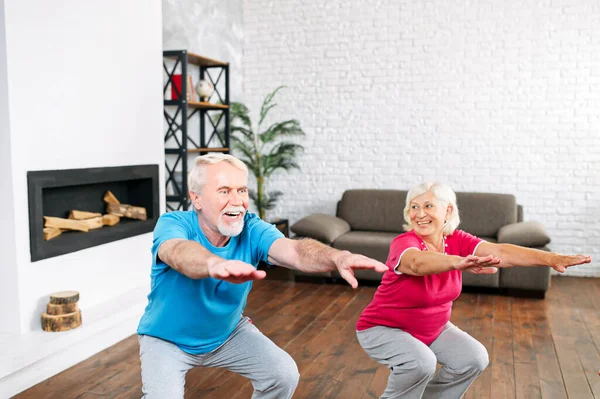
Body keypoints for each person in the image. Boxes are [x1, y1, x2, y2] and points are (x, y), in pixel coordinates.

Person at [136, 153, 388, 399]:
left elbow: (296, 251)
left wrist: (336, 257)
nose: (237, 201)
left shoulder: (252, 228)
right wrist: (213, 264)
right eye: (224, 191)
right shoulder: (173, 223)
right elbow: (178, 252)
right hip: (166, 340)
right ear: (197, 198)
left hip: (227, 334)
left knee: (283, 375)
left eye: (241, 190)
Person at [356, 182, 591, 399]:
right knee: (421, 363)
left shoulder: (456, 239)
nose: (419, 213)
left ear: (447, 211)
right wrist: (457, 262)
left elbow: (502, 253)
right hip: (383, 328)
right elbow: (417, 264)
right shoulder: (404, 242)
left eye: (428, 205)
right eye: (414, 207)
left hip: (432, 328)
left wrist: (550, 258)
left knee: (473, 359)